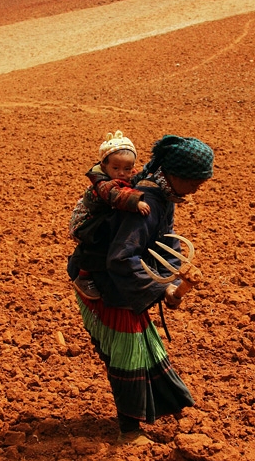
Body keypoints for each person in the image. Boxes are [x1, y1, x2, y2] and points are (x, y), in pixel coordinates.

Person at [67, 134, 214, 445]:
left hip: (122, 287)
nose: (199, 188)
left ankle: (173, 409)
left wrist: (174, 283)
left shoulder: (166, 197)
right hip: (108, 287)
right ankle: (130, 430)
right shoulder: (147, 200)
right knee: (130, 356)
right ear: (176, 175)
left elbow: (166, 244)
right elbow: (122, 258)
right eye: (196, 181)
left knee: (148, 350)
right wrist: (161, 291)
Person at [70, 130, 151, 301]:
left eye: (127, 168)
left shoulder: (125, 174)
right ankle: (83, 276)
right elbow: (114, 195)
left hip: (103, 218)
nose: (122, 173)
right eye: (116, 168)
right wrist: (136, 202)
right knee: (96, 245)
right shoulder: (103, 183)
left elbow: (137, 177)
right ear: (104, 165)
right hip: (87, 222)